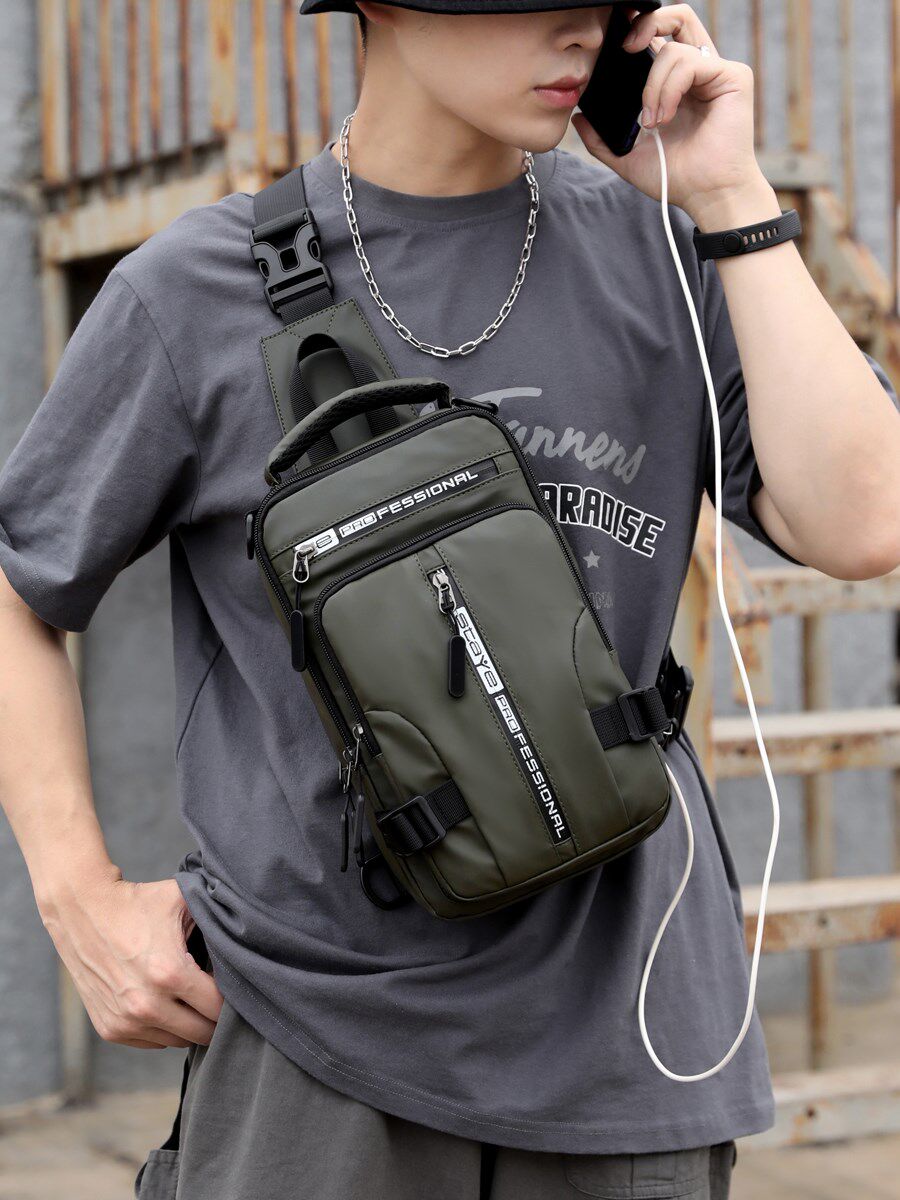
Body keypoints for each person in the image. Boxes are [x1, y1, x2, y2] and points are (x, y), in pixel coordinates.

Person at [1, 2, 899, 1197]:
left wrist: (728, 195)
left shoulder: (665, 254)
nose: (580, 32)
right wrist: (77, 895)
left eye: (604, 4)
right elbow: (20, 585)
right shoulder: (193, 292)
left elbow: (865, 524)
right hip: (322, 1045)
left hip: (630, 1044)